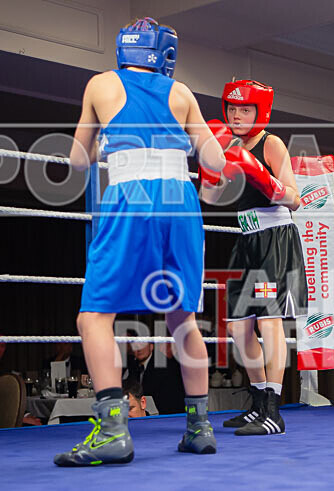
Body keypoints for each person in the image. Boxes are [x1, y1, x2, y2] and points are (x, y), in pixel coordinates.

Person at [53, 17, 227, 466]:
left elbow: (76, 162)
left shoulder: (100, 85)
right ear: (166, 54)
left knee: (94, 316)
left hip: (131, 193)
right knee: (182, 316)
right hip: (181, 199)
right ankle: (199, 428)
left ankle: (112, 430)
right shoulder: (182, 93)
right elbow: (216, 160)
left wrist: (98, 145)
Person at [200, 79, 307, 436]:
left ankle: (274, 410)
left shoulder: (271, 143)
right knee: (237, 325)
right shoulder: (227, 144)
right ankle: (258, 401)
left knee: (268, 321)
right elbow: (210, 198)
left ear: (259, 111)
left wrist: (266, 181)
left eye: (245, 109)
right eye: (232, 109)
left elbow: (295, 197)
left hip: (274, 239)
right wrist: (209, 167)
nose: (237, 115)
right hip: (244, 241)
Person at [123, 341, 185, 414]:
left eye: (142, 344)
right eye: (135, 345)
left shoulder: (163, 365)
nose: (139, 349)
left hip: (165, 414)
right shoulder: (132, 367)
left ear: (151, 346)